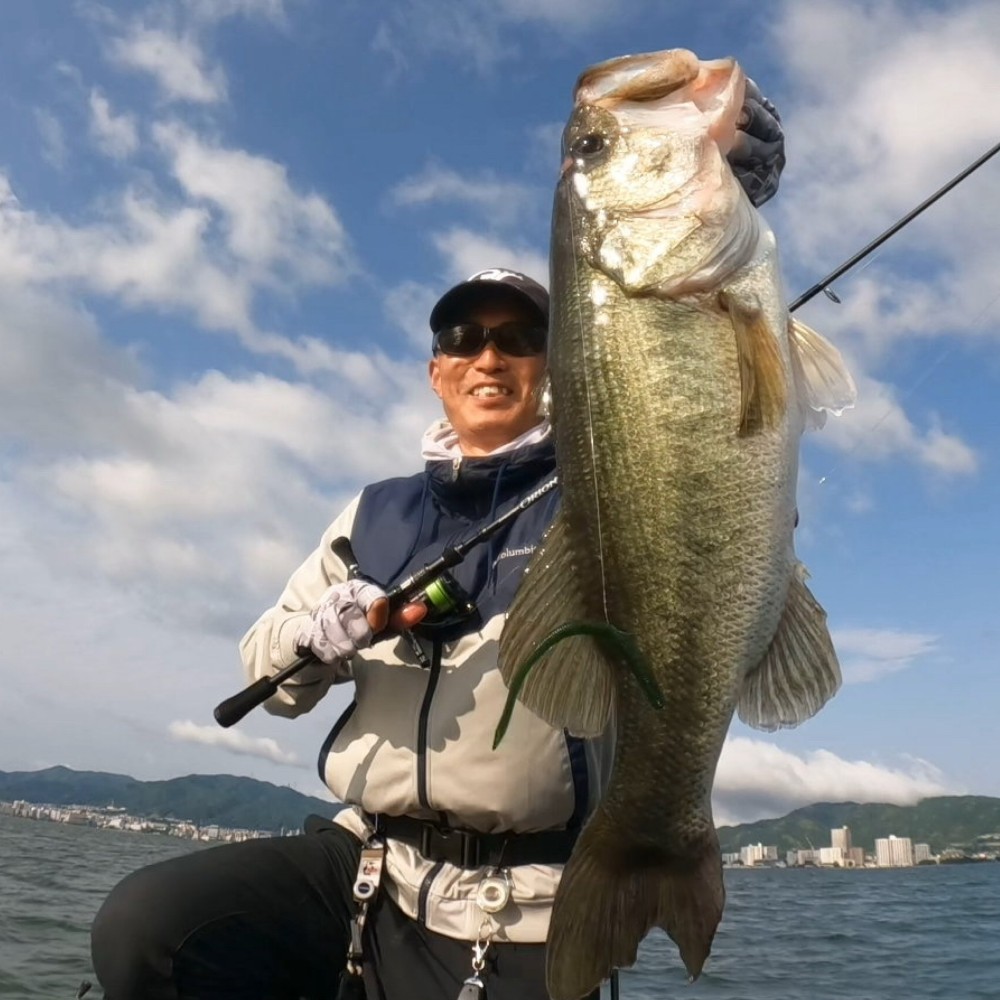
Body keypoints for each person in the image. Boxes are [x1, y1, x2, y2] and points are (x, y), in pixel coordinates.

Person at [90, 88, 785, 1000]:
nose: (488, 357)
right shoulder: (372, 513)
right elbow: (269, 671)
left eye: (520, 338)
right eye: (464, 337)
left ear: (560, 360)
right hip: (365, 866)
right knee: (147, 931)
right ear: (436, 370)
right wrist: (314, 638)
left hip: (527, 903)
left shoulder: (603, 491)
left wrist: (724, 193)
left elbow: (709, 441)